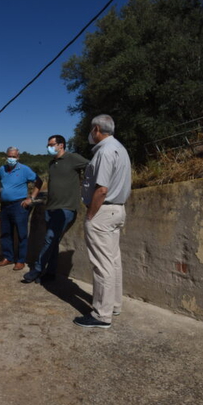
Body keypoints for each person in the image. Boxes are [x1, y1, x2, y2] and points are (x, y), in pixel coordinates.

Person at [74, 114, 132, 329]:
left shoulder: (105, 152)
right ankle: (114, 305)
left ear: (97, 129)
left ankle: (101, 314)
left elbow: (102, 188)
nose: (90, 134)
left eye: (91, 130)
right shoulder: (120, 149)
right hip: (117, 210)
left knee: (102, 265)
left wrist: (90, 214)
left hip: (103, 211)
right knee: (113, 261)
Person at [22, 134, 88, 283]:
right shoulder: (52, 163)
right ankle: (50, 273)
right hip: (50, 208)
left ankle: (37, 270)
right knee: (53, 241)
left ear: (61, 145)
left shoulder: (73, 158)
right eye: (48, 145)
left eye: (51, 145)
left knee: (49, 238)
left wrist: (88, 188)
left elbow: (91, 167)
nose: (49, 148)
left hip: (66, 208)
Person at [0, 146, 40, 271]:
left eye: (14, 157)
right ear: (6, 156)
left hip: (19, 206)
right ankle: (8, 257)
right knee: (5, 233)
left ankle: (20, 260)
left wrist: (31, 198)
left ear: (18, 157)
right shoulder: (2, 169)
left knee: (21, 234)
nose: (11, 159)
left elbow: (38, 181)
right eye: (9, 156)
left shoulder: (24, 169)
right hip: (5, 206)